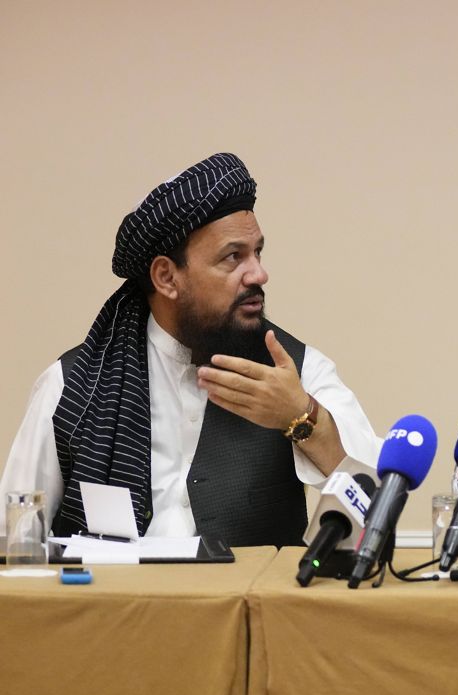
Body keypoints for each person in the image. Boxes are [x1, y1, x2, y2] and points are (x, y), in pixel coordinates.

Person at [0, 153, 379, 547]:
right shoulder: (74, 385)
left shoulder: (297, 371)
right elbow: (14, 538)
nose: (259, 274)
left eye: (258, 252)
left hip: (244, 608)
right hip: (114, 607)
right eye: (233, 257)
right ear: (166, 276)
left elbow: (376, 498)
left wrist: (301, 418)